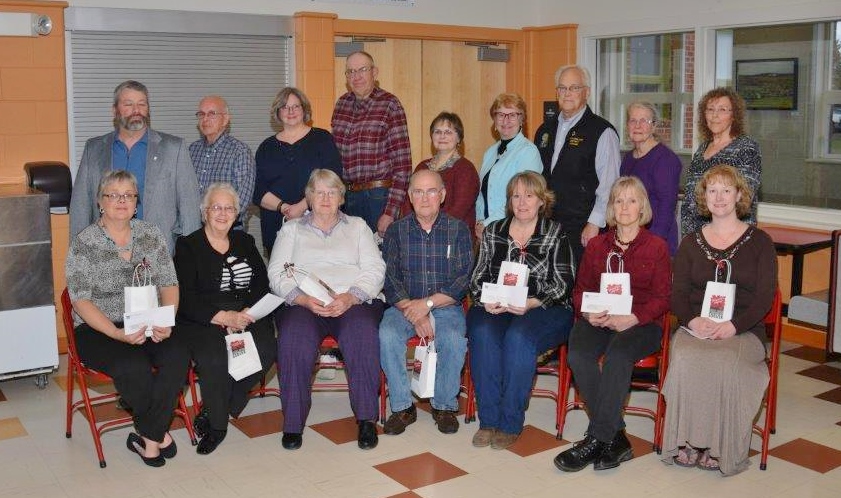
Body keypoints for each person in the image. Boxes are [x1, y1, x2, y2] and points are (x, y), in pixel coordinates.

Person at [65, 170, 187, 468]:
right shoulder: (85, 242)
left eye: (129, 195)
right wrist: (117, 334)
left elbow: (169, 283)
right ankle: (156, 436)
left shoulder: (151, 234)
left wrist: (166, 320)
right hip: (99, 328)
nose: (121, 201)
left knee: (180, 354)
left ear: (136, 202)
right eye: (113, 195)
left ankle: (148, 435)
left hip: (148, 320)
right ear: (100, 202)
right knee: (134, 366)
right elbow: (80, 300)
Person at [663, 165, 776, 476]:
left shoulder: (760, 242)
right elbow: (678, 294)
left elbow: (765, 297)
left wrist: (733, 326)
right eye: (712, 190)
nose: (719, 197)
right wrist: (692, 320)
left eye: (727, 190)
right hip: (697, 325)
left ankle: (719, 446)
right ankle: (687, 440)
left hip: (743, 330)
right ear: (704, 197)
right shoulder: (690, 242)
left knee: (725, 361)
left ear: (739, 195)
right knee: (686, 356)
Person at [553, 176, 671, 473]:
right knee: (579, 354)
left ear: (642, 206)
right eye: (618, 200)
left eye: (632, 200)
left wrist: (633, 318)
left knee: (618, 356)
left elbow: (663, 297)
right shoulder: (596, 246)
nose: (625, 206)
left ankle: (596, 438)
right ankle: (616, 438)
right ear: (611, 207)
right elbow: (579, 291)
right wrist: (588, 312)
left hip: (640, 322)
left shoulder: (656, 247)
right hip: (600, 317)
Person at [267, 169, 385, 451]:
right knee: (293, 338)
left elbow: (375, 269)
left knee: (362, 333)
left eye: (332, 192)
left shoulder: (358, 227)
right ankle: (293, 423)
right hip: (306, 303)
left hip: (352, 300)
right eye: (318, 192)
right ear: (308, 197)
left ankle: (367, 418)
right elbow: (276, 273)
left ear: (342, 198)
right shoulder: (291, 230)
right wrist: (303, 299)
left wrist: (350, 297)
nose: (325, 197)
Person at [467, 171, 575, 450]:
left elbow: (564, 283)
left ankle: (510, 422)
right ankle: (488, 420)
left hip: (544, 306)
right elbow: (476, 279)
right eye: (516, 196)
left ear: (542, 200)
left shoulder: (555, 232)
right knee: (481, 331)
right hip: (498, 305)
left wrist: (531, 302)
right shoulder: (494, 232)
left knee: (519, 337)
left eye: (529, 195)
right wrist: (486, 299)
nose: (522, 202)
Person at [174, 183, 276, 455]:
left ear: (237, 213)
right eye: (216, 207)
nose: (222, 213)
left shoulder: (246, 241)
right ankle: (218, 426)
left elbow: (260, 284)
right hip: (204, 318)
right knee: (214, 359)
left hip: (244, 314)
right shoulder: (188, 246)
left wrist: (245, 314)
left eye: (229, 208)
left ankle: (217, 404)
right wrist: (221, 317)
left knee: (266, 349)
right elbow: (185, 297)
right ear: (205, 212)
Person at [379, 169, 474, 436]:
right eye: (418, 191)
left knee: (455, 339)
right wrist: (416, 312)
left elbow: (462, 280)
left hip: (445, 306)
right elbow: (390, 279)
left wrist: (428, 306)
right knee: (387, 335)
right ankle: (402, 406)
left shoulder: (458, 230)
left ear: (442, 195)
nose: (425, 197)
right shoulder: (396, 231)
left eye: (431, 191)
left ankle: (444, 405)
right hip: (404, 307)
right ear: (409, 196)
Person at [70, 80, 201, 254]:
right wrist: (78, 258)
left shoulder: (174, 148)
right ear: (114, 110)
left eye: (142, 104)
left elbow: (190, 208)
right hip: (105, 256)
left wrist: (192, 259)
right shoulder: (94, 148)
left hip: (158, 255)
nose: (136, 110)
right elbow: (80, 207)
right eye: (128, 104)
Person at [534, 65, 621, 263]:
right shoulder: (545, 130)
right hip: (548, 225)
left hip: (583, 227)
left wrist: (595, 223)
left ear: (587, 92)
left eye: (574, 88)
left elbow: (610, 184)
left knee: (581, 286)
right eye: (562, 88)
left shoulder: (602, 131)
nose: (567, 94)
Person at [331, 51, 412, 237]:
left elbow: (403, 165)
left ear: (374, 72)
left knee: (378, 260)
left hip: (378, 198)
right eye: (350, 72)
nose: (356, 76)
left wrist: (390, 211)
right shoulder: (341, 104)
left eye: (362, 70)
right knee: (350, 259)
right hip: (346, 197)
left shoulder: (390, 105)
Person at [254, 87, 343, 253]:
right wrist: (284, 208)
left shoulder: (322, 139)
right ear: (278, 113)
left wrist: (301, 207)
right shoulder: (266, 147)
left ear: (304, 109)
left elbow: (334, 179)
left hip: (319, 223)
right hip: (276, 225)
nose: (291, 111)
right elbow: (257, 189)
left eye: (296, 106)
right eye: (285, 107)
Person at [681, 87, 761, 236]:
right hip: (695, 236)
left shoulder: (746, 147)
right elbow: (690, 198)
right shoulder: (702, 149)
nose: (715, 115)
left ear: (734, 116)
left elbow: (744, 197)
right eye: (710, 109)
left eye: (722, 110)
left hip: (729, 236)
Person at [476, 93, 543, 240]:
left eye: (512, 115)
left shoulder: (529, 152)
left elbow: (524, 198)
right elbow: (482, 195)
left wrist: (487, 224)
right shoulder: (490, 153)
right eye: (500, 114)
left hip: (514, 231)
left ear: (521, 119)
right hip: (487, 233)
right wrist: (479, 222)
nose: (506, 120)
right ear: (494, 119)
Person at [619, 101, 682, 255]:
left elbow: (667, 208)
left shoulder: (666, 159)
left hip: (655, 242)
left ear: (654, 126)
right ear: (627, 125)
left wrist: (651, 246)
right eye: (633, 120)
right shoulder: (627, 159)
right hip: (629, 240)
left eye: (644, 121)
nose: (637, 126)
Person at [400, 111, 480, 232]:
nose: (442, 136)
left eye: (448, 132)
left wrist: (431, 230)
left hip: (453, 235)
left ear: (459, 138)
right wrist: (412, 229)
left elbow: (459, 209)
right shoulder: (422, 167)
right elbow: (408, 203)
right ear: (432, 137)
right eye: (437, 132)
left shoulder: (466, 169)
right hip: (417, 234)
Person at [189, 95, 256, 229]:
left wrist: (217, 224)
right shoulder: (192, 150)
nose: (205, 119)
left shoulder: (240, 151)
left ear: (225, 119)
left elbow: (243, 199)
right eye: (201, 114)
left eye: (212, 113)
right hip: (195, 230)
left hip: (228, 231)